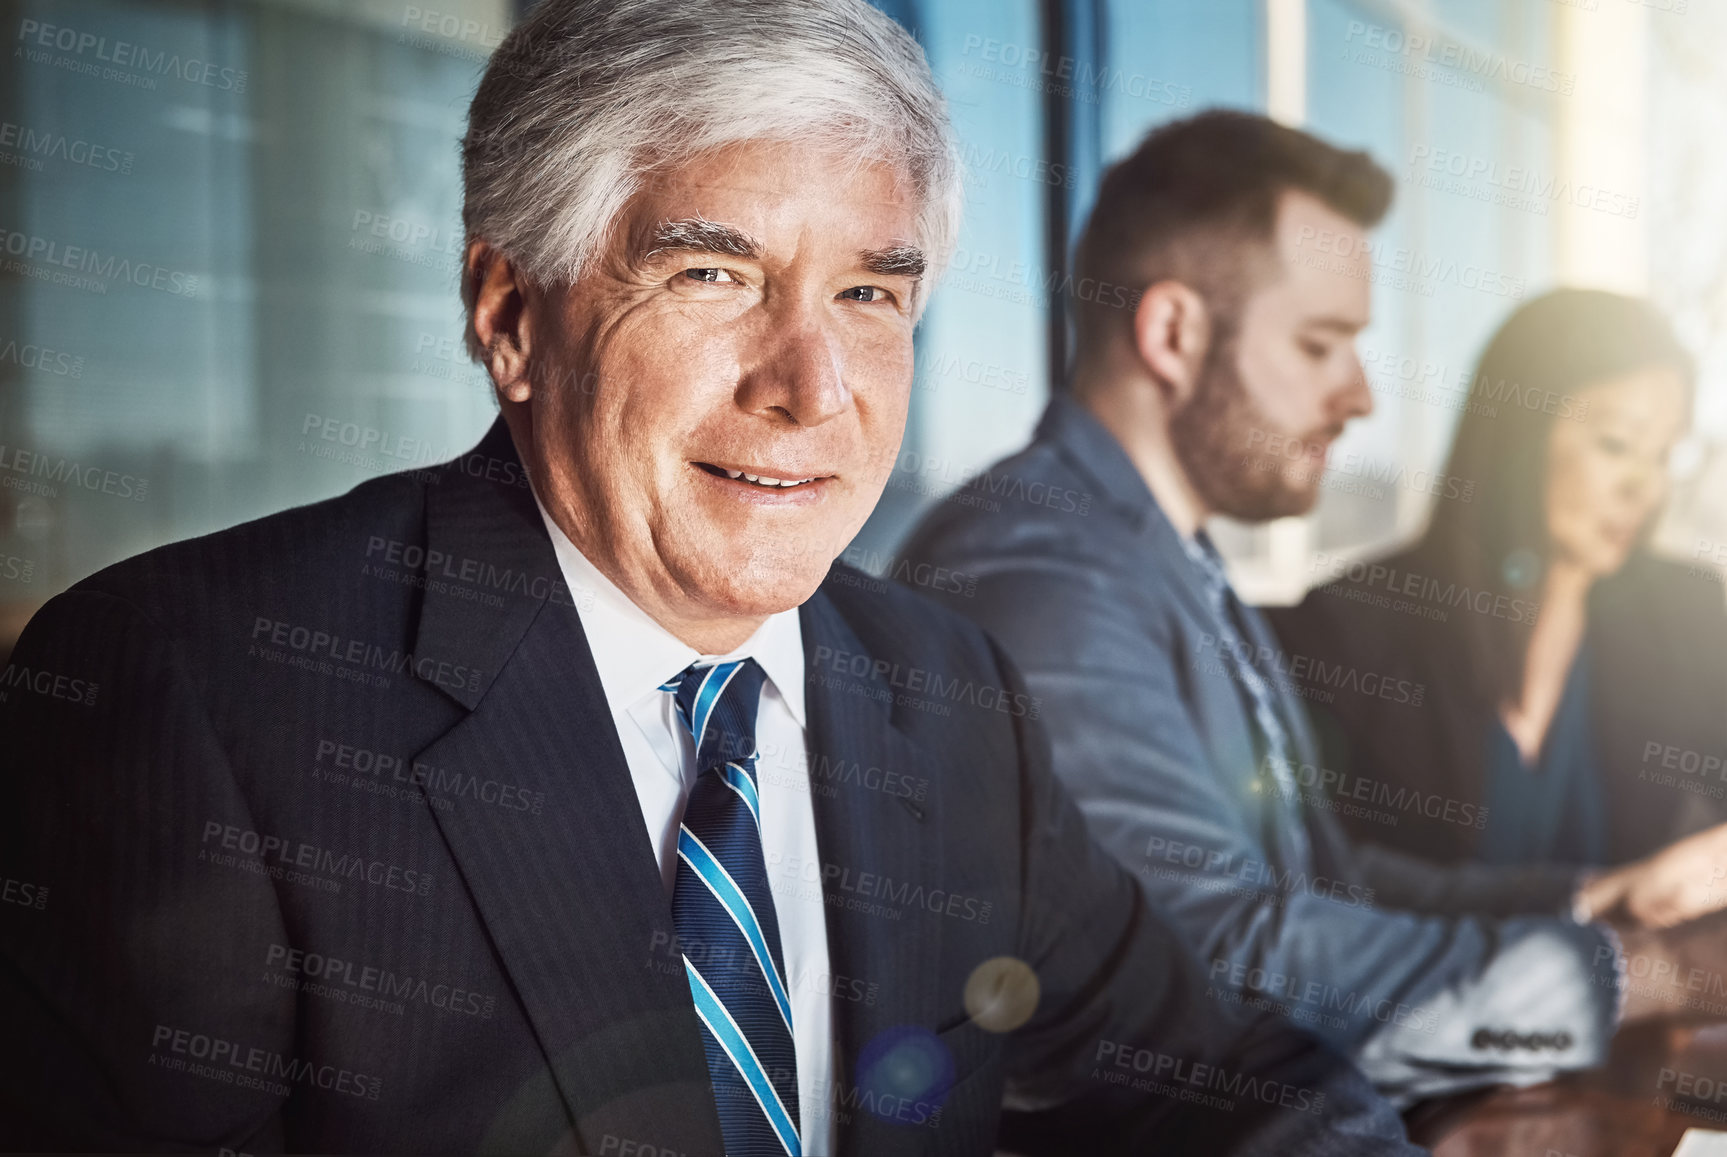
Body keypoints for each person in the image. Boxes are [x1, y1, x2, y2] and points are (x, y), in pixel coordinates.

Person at [0, 5, 1418, 1154]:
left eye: (869, 295)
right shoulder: (188, 689)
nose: (811, 389)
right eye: (712, 277)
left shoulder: (946, 690)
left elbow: (1212, 1083)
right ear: (509, 316)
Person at [897, 110, 1727, 1105]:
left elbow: (1316, 884)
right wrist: (1659, 970)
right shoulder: (1041, 575)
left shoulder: (1169, 560)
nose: (1361, 395)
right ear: (1172, 332)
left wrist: (1592, 902)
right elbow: (1216, 962)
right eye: (1320, 343)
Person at [1271, 291, 1727, 897]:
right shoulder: (1345, 631)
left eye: (1665, 455)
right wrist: (1599, 903)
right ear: (1521, 436)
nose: (1643, 488)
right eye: (1616, 445)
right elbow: (1317, 890)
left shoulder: (1689, 616)